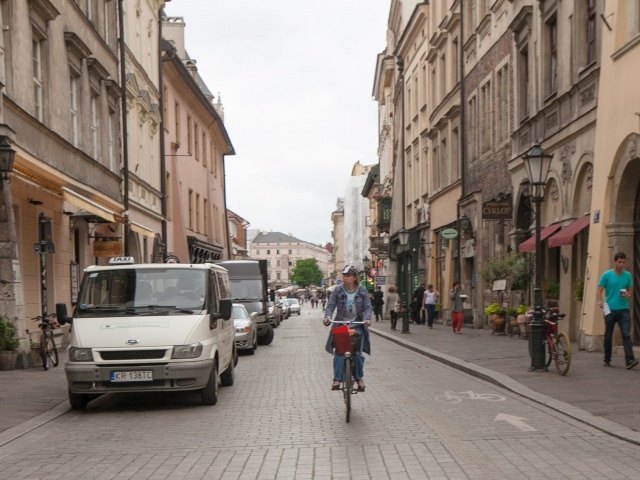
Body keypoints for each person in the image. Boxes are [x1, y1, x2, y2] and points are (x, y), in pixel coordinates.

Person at [323, 264, 372, 392]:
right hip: (341, 325)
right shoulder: (338, 290)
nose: (345, 278)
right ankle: (337, 379)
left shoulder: (362, 290)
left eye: (348, 276)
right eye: (344, 275)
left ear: (355, 277)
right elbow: (331, 305)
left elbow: (367, 307)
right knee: (339, 353)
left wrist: (367, 319)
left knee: (357, 354)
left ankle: (359, 378)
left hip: (357, 325)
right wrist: (327, 317)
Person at [597, 251, 638, 369]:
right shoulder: (606, 275)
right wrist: (600, 302)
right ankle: (607, 358)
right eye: (620, 262)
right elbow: (599, 290)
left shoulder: (627, 275)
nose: (622, 264)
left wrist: (628, 295)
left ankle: (630, 360)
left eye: (624, 262)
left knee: (626, 334)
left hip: (623, 309)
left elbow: (630, 290)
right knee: (608, 335)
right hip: (609, 309)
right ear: (615, 262)